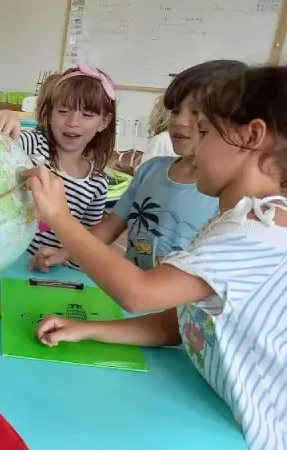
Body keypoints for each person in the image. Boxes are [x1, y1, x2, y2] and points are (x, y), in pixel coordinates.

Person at [27, 65, 287, 450]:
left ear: (251, 136)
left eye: (206, 133)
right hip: (211, 408)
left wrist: (61, 219)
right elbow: (184, 321)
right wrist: (88, 329)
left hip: (252, 436)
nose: (193, 147)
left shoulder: (259, 233)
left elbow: (140, 293)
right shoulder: (236, 221)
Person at [28, 60, 246, 273]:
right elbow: (111, 225)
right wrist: (66, 251)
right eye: (175, 111)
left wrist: (60, 220)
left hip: (168, 299)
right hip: (133, 286)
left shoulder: (229, 196)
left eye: (197, 114)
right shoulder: (150, 171)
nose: (180, 121)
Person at [0, 61, 117, 268]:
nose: (73, 122)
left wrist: (61, 256)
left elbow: (88, 242)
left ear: (103, 122)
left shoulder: (97, 183)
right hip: (8, 263)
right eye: (64, 111)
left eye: (87, 115)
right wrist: (6, 117)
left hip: (54, 273)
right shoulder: (33, 145)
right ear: (49, 114)